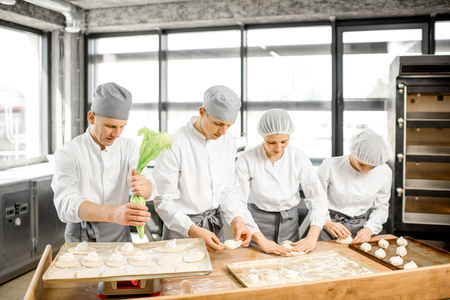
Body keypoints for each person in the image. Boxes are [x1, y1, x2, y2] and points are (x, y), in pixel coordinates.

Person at [152, 85, 252, 253]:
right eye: (218, 123)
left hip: (214, 227)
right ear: (202, 112)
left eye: (229, 125)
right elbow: (163, 199)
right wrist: (191, 229)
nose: (223, 131)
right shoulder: (173, 143)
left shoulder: (228, 141)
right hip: (181, 230)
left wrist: (237, 220)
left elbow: (227, 189)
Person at [52, 82, 155, 243]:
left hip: (119, 234)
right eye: (110, 126)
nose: (117, 134)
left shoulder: (128, 147)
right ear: (91, 118)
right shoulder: (69, 152)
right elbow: (66, 204)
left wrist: (145, 186)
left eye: (122, 127)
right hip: (81, 236)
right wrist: (113, 214)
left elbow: (148, 183)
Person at [235, 109, 329, 254]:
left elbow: (318, 197)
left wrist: (312, 236)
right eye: (271, 142)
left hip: (289, 222)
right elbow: (238, 202)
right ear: (262, 136)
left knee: (289, 268)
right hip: (255, 224)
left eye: (284, 141)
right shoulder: (246, 159)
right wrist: (261, 240)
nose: (278, 148)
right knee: (253, 266)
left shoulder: (298, 156)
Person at [317, 128, 392, 243]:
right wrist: (326, 223)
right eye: (362, 164)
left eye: (372, 167)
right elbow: (316, 200)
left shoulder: (384, 171)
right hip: (331, 226)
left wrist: (369, 229)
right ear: (354, 152)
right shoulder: (330, 166)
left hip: (364, 227)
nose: (366, 171)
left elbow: (381, 207)